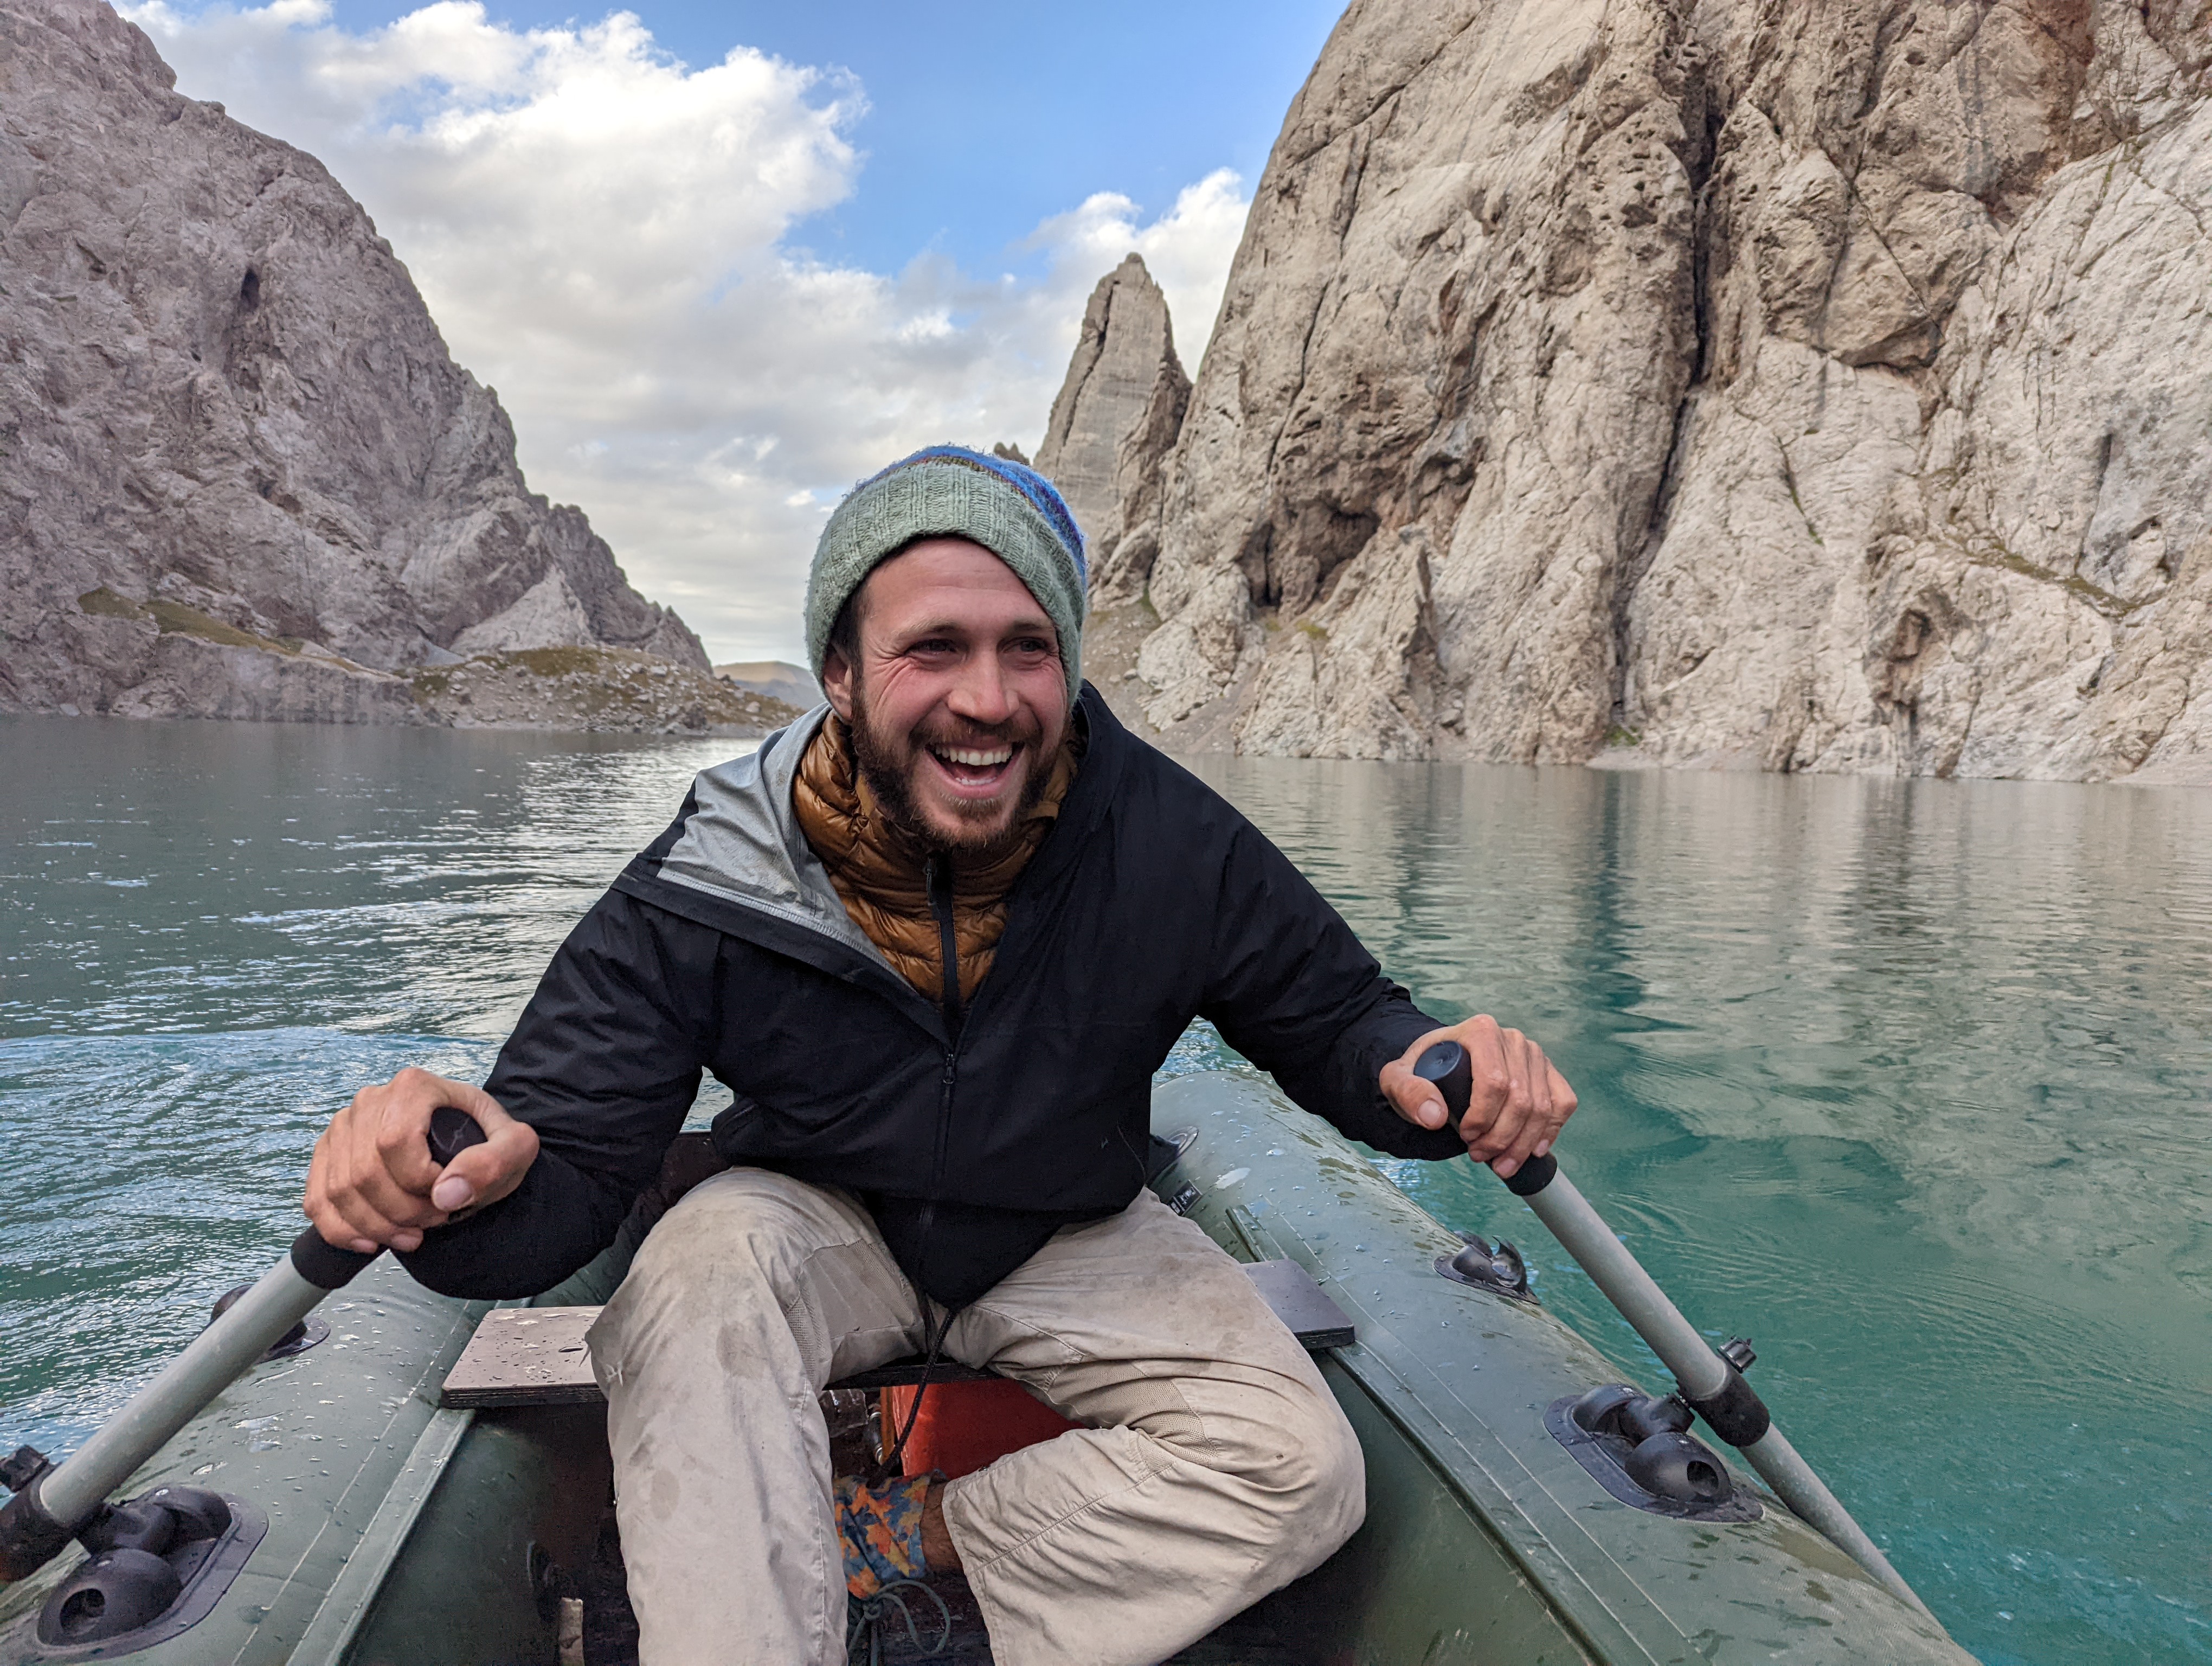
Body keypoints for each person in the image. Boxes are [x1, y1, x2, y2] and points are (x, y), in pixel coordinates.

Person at [303, 446, 1578, 1666]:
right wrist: (477, 1190)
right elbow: (567, 1160)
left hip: (1066, 1220)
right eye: (934, 649)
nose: (987, 698)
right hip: (815, 1214)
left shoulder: (1171, 842)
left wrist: (1424, 1065)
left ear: (1070, 665)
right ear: (842, 675)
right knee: (692, 1288)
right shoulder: (712, 870)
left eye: (1029, 649)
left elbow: (1339, 1018)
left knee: (1300, 1466)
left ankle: (900, 1545)